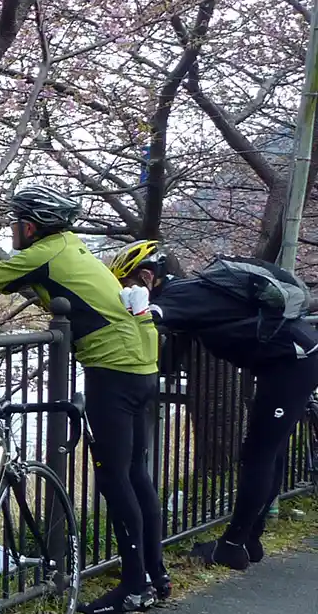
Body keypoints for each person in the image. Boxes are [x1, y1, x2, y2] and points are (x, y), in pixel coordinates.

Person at [0, 184, 164, 614]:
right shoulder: (65, 247)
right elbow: (3, 277)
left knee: (115, 480)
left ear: (30, 226)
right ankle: (155, 575)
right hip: (141, 363)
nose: (13, 230)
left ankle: (135, 587)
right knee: (136, 474)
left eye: (16, 222)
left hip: (112, 369)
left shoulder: (44, 254)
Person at [109, 240, 318, 570]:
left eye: (128, 284)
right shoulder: (191, 292)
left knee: (259, 455)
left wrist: (126, 310)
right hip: (292, 358)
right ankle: (249, 539)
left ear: (148, 278)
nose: (125, 290)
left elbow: (142, 319)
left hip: (291, 362)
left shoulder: (181, 296)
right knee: (269, 451)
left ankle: (233, 546)